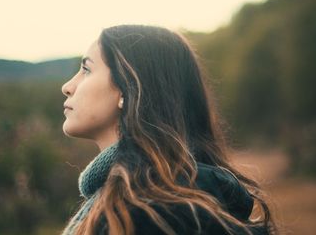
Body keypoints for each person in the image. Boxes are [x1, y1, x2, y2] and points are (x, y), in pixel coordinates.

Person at [61, 25, 277, 235]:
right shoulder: (156, 201)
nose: (68, 87)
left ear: (127, 88)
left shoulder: (142, 214)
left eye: (87, 70)